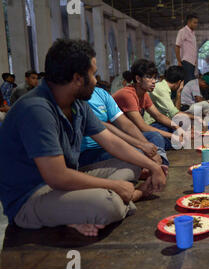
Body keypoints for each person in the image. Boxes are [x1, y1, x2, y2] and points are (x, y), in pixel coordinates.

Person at [0, 39, 166, 237]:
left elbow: (112, 142)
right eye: (93, 74)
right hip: (31, 196)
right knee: (108, 204)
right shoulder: (37, 109)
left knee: (132, 165)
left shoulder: (77, 104)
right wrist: (117, 187)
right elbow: (57, 177)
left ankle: (81, 210)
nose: (96, 81)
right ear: (78, 78)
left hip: (65, 183)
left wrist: (153, 166)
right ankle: (130, 197)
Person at [79, 87, 169, 168]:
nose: (95, 79)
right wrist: (142, 145)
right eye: (92, 74)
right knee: (135, 153)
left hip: (112, 141)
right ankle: (151, 166)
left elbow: (126, 124)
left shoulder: (100, 93)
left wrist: (149, 149)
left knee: (155, 136)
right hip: (90, 151)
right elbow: (105, 128)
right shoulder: (76, 98)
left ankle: (152, 165)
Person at [113, 59, 186, 151]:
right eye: (149, 77)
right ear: (138, 79)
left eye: (154, 78)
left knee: (167, 128)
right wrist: (172, 136)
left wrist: (178, 127)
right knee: (156, 137)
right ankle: (159, 159)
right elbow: (142, 127)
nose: (153, 81)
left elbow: (158, 116)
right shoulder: (128, 94)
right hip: (119, 135)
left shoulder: (144, 94)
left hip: (135, 132)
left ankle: (161, 148)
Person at [175, 14, 199, 84]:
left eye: (197, 23)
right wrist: (179, 61)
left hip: (192, 63)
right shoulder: (182, 31)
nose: (196, 24)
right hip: (186, 61)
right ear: (189, 22)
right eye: (194, 22)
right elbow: (177, 46)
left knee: (191, 83)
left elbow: (192, 49)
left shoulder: (193, 33)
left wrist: (194, 61)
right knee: (189, 84)